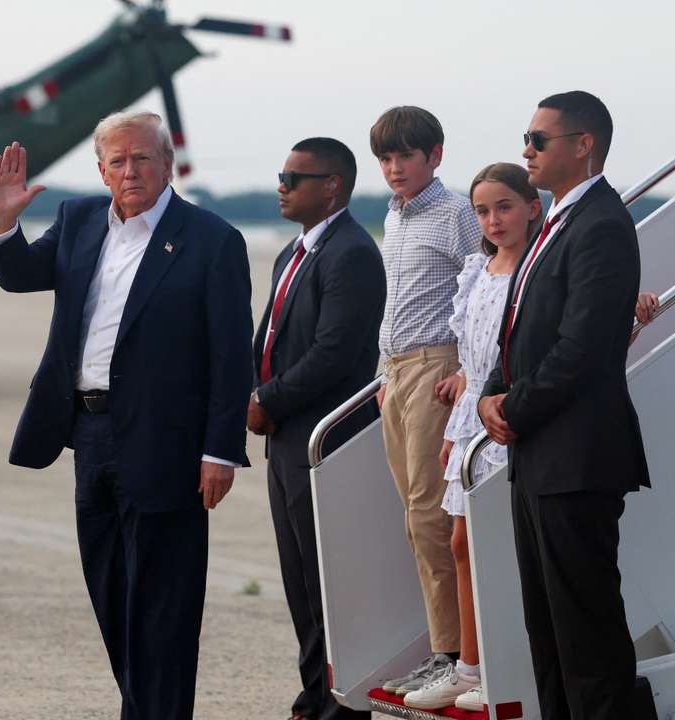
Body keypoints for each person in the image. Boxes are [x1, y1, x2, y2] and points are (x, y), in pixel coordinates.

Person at [0, 111, 253, 720]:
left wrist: (221, 449)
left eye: (143, 159)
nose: (131, 171)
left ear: (168, 164)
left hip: (170, 445)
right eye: (118, 161)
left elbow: (233, 355)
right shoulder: (79, 222)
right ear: (102, 170)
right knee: (112, 596)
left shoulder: (211, 240)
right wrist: (4, 220)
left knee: (164, 605)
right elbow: (21, 274)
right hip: (90, 434)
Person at [479, 91, 650, 720]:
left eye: (538, 139)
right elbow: (523, 328)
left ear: (583, 146)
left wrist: (512, 407)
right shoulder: (555, 222)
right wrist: (493, 393)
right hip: (540, 456)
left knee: (588, 638)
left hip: (576, 459)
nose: (526, 149)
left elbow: (585, 347)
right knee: (547, 631)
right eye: (525, 137)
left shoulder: (602, 223)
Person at [249, 138, 384, 720]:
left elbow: (334, 354)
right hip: (286, 436)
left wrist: (267, 399)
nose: (282, 185)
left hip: (325, 441)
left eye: (293, 177)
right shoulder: (292, 254)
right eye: (281, 175)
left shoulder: (351, 252)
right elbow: (270, 340)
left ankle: (341, 706)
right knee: (299, 577)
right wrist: (251, 396)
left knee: (330, 584)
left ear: (332, 186)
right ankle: (314, 694)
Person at [402, 163, 539, 711]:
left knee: (498, 546)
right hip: (469, 424)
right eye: (483, 210)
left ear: (532, 206)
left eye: (504, 206)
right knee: (461, 544)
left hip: (507, 424)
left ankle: (503, 664)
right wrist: (456, 430)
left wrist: (638, 301)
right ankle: (470, 665)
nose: (493, 219)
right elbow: (470, 357)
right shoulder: (478, 272)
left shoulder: (537, 268)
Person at [369, 106, 484, 696]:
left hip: (436, 369)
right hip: (397, 375)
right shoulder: (395, 216)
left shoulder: (458, 211)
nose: (393, 168)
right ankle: (447, 648)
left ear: (434, 154)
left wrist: (467, 368)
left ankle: (455, 655)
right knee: (416, 519)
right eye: (385, 158)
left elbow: (490, 281)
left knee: (432, 515)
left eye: (404, 156)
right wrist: (383, 374)